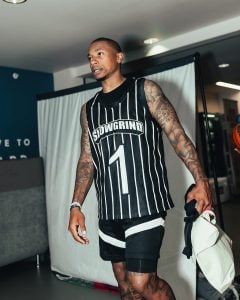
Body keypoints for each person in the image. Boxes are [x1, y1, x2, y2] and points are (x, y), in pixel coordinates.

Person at [68, 37, 212, 300]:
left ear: (119, 57)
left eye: (100, 53)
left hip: (144, 206)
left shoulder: (145, 90)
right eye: (89, 57)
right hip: (110, 213)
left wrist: (201, 180)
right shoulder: (89, 110)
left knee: (142, 283)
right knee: (125, 288)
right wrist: (75, 206)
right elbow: (87, 160)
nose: (93, 60)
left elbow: (177, 136)